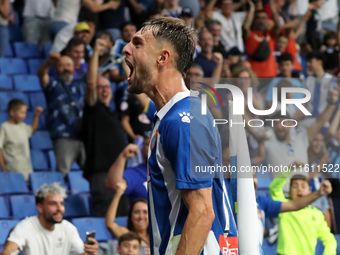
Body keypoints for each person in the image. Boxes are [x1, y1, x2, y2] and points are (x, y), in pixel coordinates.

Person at [123, 17, 236, 254]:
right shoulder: (171, 117)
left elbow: (202, 212)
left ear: (162, 58)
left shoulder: (184, 120)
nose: (126, 48)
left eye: (137, 43)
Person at [82, 38, 128, 217]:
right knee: (105, 218)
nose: (104, 90)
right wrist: (95, 53)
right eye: (101, 88)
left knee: (122, 217)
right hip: (101, 174)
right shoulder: (93, 109)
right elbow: (91, 83)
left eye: (107, 86)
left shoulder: (112, 112)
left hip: (118, 174)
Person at [265, 88, 339, 194]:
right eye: (276, 123)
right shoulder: (268, 144)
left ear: (291, 124)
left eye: (283, 122)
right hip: (281, 196)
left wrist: (332, 102)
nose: (279, 126)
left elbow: (319, 122)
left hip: (303, 195)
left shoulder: (302, 139)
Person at [0, 183, 99, 255]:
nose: (60, 209)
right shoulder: (26, 226)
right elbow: (7, 251)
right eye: (53, 204)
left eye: (62, 204)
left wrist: (93, 252)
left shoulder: (68, 228)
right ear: (40, 207)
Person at [37, 53, 86, 176]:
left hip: (85, 135)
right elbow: (42, 74)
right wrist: (48, 62)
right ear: (56, 69)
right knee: (62, 173)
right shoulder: (53, 85)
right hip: (63, 136)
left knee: (92, 172)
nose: (65, 68)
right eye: (61, 65)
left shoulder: (81, 84)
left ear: (74, 67)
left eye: (68, 65)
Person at [270, 172, 337, 254]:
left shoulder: (317, 214)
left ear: (309, 191)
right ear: (290, 192)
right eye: (295, 186)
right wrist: (289, 169)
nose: (299, 189)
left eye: (303, 186)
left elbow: (330, 240)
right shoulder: (284, 207)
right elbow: (274, 188)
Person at [0, 100, 43, 180]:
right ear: (12, 112)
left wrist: (36, 115)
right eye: (22, 113)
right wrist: (3, 168)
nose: (24, 116)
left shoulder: (22, 126)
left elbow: (32, 130)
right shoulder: (4, 128)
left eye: (25, 113)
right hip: (13, 171)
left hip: (27, 170)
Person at [106, 184, 150, 255]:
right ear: (131, 216)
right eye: (136, 212)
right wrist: (118, 194)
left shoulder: (156, 236)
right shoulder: (126, 234)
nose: (141, 217)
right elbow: (110, 224)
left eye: (145, 212)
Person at [243, 1, 280, 78]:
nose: (261, 21)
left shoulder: (270, 34)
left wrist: (273, 9)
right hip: (254, 74)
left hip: (271, 73)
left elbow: (278, 26)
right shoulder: (250, 35)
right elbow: (245, 27)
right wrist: (252, 9)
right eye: (258, 18)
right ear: (254, 20)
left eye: (263, 18)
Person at [106, 138, 149, 203]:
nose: (153, 147)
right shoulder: (136, 173)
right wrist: (123, 156)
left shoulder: (169, 172)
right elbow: (115, 185)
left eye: (157, 143)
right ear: (142, 149)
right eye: (148, 144)